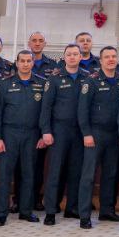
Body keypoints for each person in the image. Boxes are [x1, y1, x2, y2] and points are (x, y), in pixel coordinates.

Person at [0, 49, 47, 226]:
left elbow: (46, 113)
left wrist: (42, 134)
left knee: (29, 174)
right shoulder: (5, 84)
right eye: (21, 61)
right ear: (16, 63)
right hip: (9, 134)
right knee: (5, 175)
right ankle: (1, 213)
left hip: (32, 135)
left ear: (32, 63)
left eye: (28, 61)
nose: (25, 64)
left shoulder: (42, 84)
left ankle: (25, 211)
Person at [77, 46, 119, 228]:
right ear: (101, 60)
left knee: (111, 174)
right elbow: (82, 110)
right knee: (88, 176)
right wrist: (86, 133)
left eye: (114, 56)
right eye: (107, 57)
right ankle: (84, 216)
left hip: (115, 135)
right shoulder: (92, 81)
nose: (111, 59)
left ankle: (107, 210)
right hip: (95, 134)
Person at [41, 43, 86, 224]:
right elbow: (46, 107)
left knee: (76, 171)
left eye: (76, 54)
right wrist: (46, 130)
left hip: (79, 132)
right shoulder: (55, 78)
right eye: (69, 54)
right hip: (59, 130)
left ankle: (72, 208)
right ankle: (51, 211)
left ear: (81, 57)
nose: (73, 57)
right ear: (64, 57)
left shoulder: (87, 79)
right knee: (55, 171)